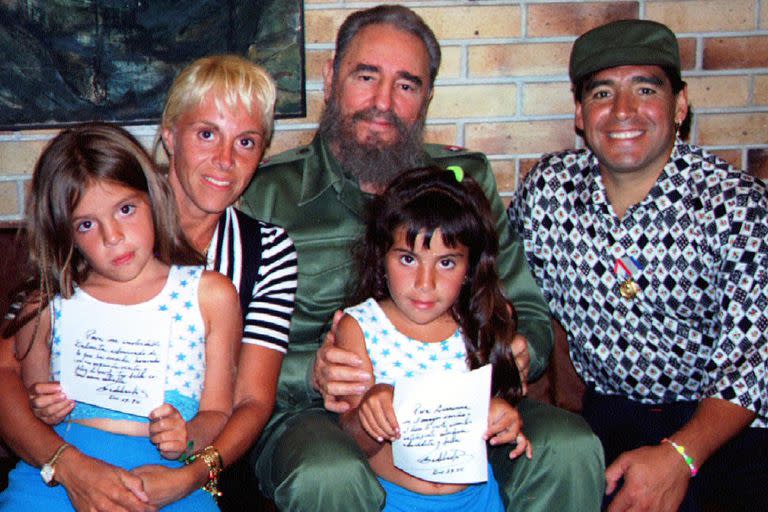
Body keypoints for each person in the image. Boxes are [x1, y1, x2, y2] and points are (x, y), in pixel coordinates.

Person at [240, 5, 603, 511]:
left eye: (407, 86)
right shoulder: (265, 195)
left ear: (427, 97)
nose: (383, 102)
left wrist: (521, 350)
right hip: (312, 416)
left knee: (568, 448)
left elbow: (529, 310)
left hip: (462, 406)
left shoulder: (465, 184)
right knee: (328, 476)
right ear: (331, 78)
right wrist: (313, 373)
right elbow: (221, 349)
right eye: (366, 77)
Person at [16, 55, 298, 510]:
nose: (225, 160)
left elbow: (248, 402)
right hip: (70, 455)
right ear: (170, 136)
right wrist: (58, 444)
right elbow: (20, 369)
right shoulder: (105, 206)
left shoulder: (264, 252)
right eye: (207, 134)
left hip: (193, 465)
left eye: (246, 141)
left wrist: (188, 474)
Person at [508, 19, 768, 512]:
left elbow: (753, 364)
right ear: (581, 114)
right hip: (604, 418)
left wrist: (678, 457)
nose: (623, 111)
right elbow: (512, 297)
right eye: (602, 93)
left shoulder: (737, 207)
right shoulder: (548, 193)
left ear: (679, 105)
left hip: (724, 427)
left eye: (645, 89)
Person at [0, 123, 241, 511]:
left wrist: (188, 436)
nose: (112, 236)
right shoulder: (48, 304)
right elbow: (32, 402)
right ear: (66, 234)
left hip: (164, 476)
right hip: (59, 474)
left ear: (153, 197)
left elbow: (218, 410)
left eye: (126, 209)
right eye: (87, 224)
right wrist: (42, 406)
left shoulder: (209, 295)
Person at [337, 166, 532, 512]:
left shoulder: (479, 323)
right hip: (396, 502)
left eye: (446, 263)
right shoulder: (362, 326)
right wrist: (373, 404)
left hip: (478, 501)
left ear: (470, 267)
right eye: (409, 259)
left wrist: (503, 416)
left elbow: (495, 411)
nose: (425, 283)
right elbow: (352, 440)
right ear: (382, 257)